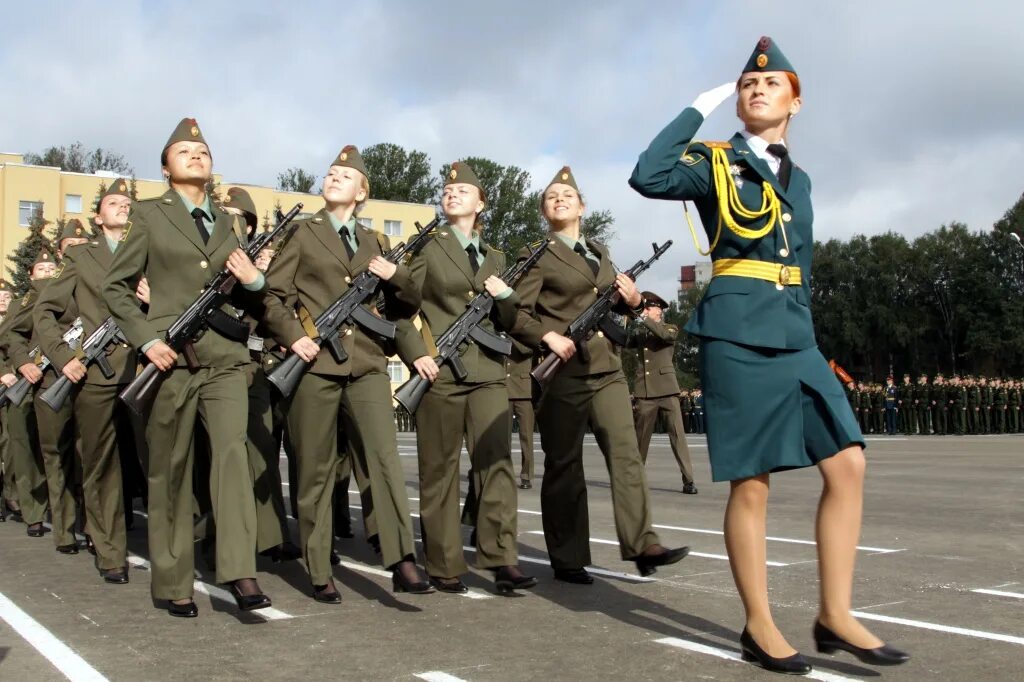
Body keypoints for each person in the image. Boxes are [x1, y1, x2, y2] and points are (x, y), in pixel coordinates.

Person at [629, 36, 908, 674]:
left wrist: (805, 329)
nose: (758, 89)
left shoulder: (801, 179)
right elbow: (648, 175)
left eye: (773, 83)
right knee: (753, 482)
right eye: (749, 84)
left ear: (796, 101)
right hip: (737, 332)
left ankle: (834, 614)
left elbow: (799, 263)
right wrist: (697, 108)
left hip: (795, 333)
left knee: (848, 465)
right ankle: (759, 624)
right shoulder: (713, 163)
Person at [103, 117, 272, 617]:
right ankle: (173, 580)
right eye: (184, 151)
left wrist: (256, 282)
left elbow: (242, 293)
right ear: (165, 167)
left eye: (202, 151)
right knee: (171, 470)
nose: (196, 156)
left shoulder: (231, 222)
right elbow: (116, 288)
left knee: (231, 458)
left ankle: (240, 569)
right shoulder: (150, 217)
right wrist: (147, 338)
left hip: (223, 360)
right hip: (171, 360)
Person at [262, 145, 431, 603]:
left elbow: (404, 308)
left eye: (345, 175)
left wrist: (396, 276)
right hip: (315, 366)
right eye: (331, 173)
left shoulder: (376, 242)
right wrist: (294, 334)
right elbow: (272, 296)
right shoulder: (302, 233)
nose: (334, 177)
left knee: (383, 462)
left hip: (368, 364)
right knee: (315, 471)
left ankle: (402, 560)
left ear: (361, 191)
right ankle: (319, 567)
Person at [508, 165, 689, 585]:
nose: (559, 200)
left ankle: (642, 542)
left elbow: (616, 305)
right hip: (564, 373)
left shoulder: (600, 253)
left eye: (567, 196)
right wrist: (546, 336)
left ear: (582, 206)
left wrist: (632, 298)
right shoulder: (536, 254)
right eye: (551, 197)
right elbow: (516, 313)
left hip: (607, 369)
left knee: (626, 455)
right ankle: (568, 556)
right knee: (565, 465)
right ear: (544, 209)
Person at [396, 160, 536, 594]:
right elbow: (402, 310)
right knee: (438, 470)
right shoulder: (429, 250)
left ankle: (501, 558)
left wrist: (507, 296)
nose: (452, 193)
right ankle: (443, 562)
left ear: (482, 203)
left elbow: (510, 320)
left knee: (495, 465)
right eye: (448, 189)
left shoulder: (495, 257)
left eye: (463, 190)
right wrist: (418, 355)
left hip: (489, 373)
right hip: (441, 372)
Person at [34, 180, 139, 584]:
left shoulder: (146, 252)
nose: (123, 208)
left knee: (158, 461)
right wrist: (63, 359)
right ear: (99, 216)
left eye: (128, 203)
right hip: (97, 373)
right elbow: (45, 312)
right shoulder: (80, 258)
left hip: (148, 366)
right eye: (114, 203)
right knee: (100, 463)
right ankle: (111, 551)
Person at [221, 186, 301, 564]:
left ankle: (273, 535)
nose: (232, 220)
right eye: (226, 213)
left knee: (262, 450)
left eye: (240, 217)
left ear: (250, 227)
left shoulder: (262, 265)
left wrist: (260, 277)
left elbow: (278, 309)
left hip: (258, 367)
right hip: (212, 363)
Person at [627, 291, 696, 494]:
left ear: (660, 311)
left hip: (667, 390)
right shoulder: (641, 332)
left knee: (678, 437)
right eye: (646, 308)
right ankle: (635, 480)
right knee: (641, 440)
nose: (647, 311)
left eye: (651, 308)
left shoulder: (669, 328)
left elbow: (664, 335)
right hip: (646, 391)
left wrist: (643, 317)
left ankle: (689, 480)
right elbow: (624, 339)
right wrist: (627, 315)